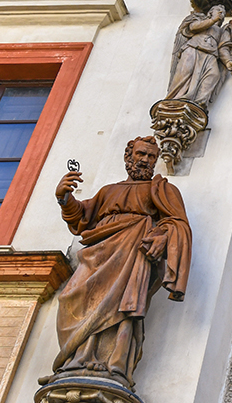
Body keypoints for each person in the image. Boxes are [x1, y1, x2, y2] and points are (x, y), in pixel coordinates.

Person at [47, 137, 192, 387]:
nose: (145, 160)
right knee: (71, 297)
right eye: (141, 154)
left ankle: (112, 363)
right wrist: (64, 197)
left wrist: (162, 236)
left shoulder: (161, 189)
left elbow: (178, 222)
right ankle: (79, 358)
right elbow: (82, 219)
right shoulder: (108, 191)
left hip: (132, 253)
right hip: (98, 254)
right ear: (129, 157)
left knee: (122, 306)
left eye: (150, 156)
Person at [166, 3, 232, 108]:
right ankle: (176, 98)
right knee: (185, 71)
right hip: (193, 49)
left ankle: (199, 103)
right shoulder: (200, 20)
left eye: (223, 13)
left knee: (214, 74)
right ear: (210, 13)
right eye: (218, 10)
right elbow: (192, 27)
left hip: (211, 55)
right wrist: (212, 21)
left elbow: (223, 48)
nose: (221, 13)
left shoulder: (221, 30)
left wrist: (228, 61)